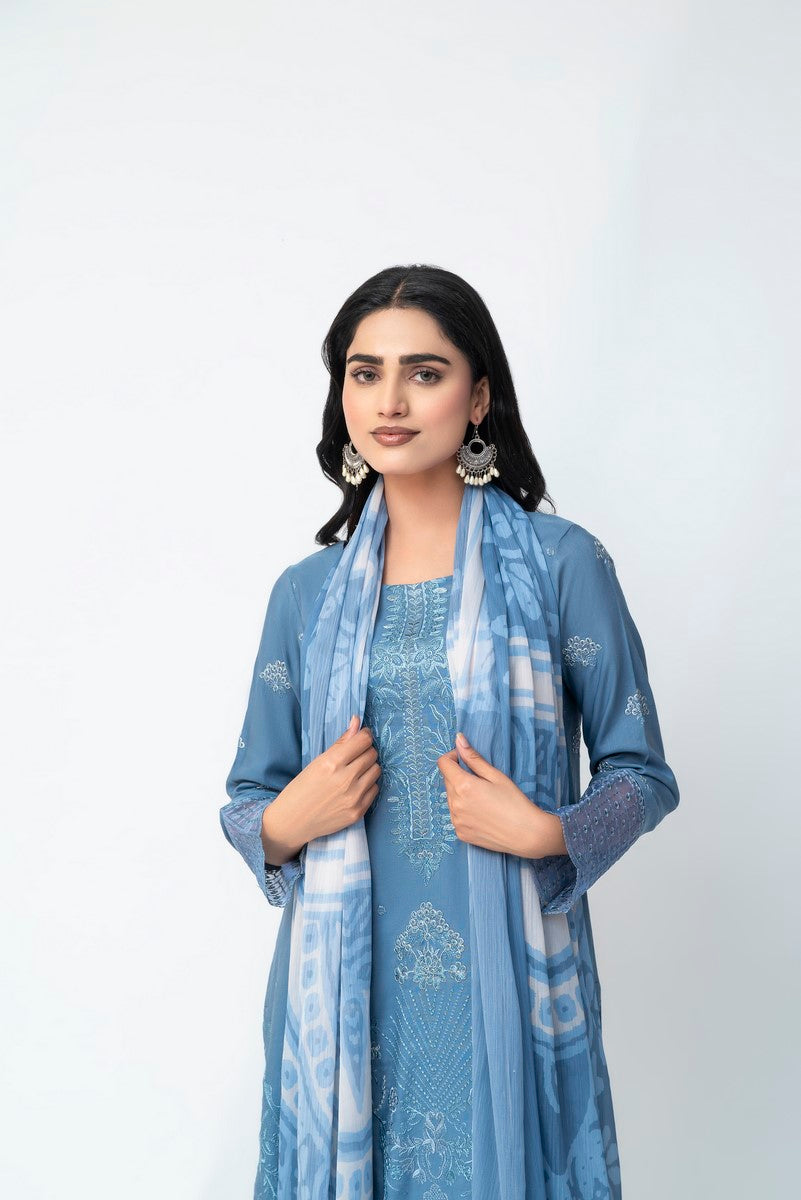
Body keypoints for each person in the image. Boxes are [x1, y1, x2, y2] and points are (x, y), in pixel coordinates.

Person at [220, 264, 680, 1200]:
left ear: (477, 399)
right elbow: (250, 797)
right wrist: (282, 823)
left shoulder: (559, 562)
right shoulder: (305, 595)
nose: (388, 401)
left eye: (423, 373)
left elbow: (641, 772)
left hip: (508, 986)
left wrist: (549, 832)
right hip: (340, 999)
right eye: (364, 373)